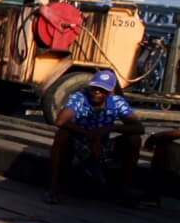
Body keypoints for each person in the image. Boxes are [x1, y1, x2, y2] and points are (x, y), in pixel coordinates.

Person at [48, 68, 145, 204]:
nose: (97, 92)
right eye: (95, 88)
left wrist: (109, 128)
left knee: (134, 140)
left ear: (110, 91)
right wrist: (89, 134)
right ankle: (54, 188)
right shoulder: (79, 97)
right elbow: (60, 121)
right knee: (61, 135)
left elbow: (139, 128)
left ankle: (125, 188)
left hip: (103, 145)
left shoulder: (117, 102)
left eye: (102, 90)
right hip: (79, 142)